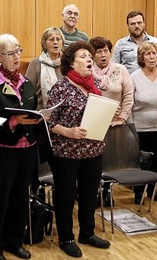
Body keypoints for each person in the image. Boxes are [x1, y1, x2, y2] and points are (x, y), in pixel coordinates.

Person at [47, 41, 111, 258]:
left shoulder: (94, 85)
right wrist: (68, 132)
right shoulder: (60, 87)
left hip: (93, 149)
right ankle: (66, 237)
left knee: (90, 195)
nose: (89, 59)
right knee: (66, 196)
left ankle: (87, 233)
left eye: (89, 56)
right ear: (71, 64)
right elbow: (48, 122)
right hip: (67, 151)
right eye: (83, 56)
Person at [0, 33, 40, 260]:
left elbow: (33, 109)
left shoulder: (26, 83)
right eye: (10, 53)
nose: (16, 56)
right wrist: (15, 121)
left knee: (20, 199)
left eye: (18, 50)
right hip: (2, 152)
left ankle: (14, 242)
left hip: (27, 150)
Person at [130, 41, 157, 204]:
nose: (152, 57)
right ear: (142, 57)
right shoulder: (134, 77)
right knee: (141, 163)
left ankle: (152, 191)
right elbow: (129, 104)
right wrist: (130, 126)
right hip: (140, 128)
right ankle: (139, 192)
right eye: (148, 54)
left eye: (154, 53)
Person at [90, 36, 133, 126]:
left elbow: (128, 96)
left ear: (110, 53)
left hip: (116, 123)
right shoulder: (87, 71)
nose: (103, 55)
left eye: (106, 51)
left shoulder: (121, 69)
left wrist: (122, 118)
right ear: (92, 56)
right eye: (99, 52)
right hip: (93, 121)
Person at [25, 27, 65, 109]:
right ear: (44, 44)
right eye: (51, 39)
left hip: (64, 113)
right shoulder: (35, 63)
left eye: (58, 39)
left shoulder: (67, 63)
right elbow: (27, 92)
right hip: (41, 113)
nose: (55, 42)